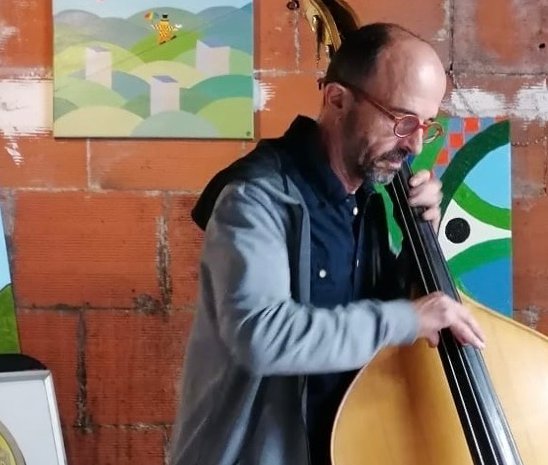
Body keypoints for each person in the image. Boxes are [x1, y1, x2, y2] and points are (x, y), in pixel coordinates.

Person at [167, 23, 486, 465]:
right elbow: (263, 336)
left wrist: (421, 243)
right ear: (337, 99)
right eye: (401, 119)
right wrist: (408, 317)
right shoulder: (256, 198)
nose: (413, 142)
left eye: (426, 125)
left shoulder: (366, 199)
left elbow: (373, 313)